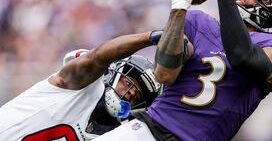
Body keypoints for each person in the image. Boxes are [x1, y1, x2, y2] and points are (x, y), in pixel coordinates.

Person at [93, 0, 272, 141]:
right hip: (151, 129)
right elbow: (164, 73)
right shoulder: (200, 23)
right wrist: (179, 6)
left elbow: (242, 57)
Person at [0, 30, 165, 140]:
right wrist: (151, 37)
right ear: (115, 72)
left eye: (138, 96)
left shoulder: (118, 134)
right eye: (128, 82)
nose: (130, 93)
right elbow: (97, 57)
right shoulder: (84, 86)